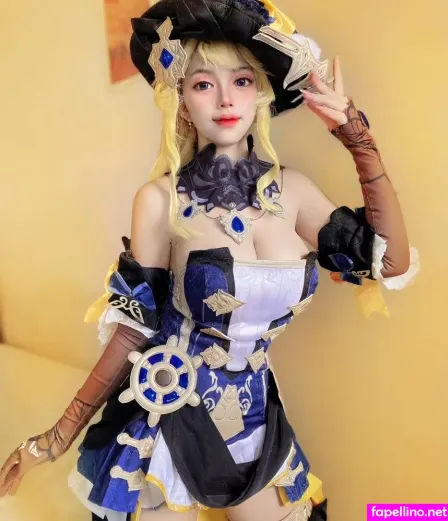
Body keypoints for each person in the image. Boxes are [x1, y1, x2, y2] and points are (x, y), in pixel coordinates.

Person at [0, 1, 419, 520]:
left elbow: (390, 262)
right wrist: (54, 438)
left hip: (257, 415)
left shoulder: (295, 193)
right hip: (169, 413)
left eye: (241, 81)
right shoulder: (159, 201)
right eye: (203, 84)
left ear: (260, 94)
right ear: (181, 102)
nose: (225, 99)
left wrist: (357, 137)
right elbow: (132, 331)